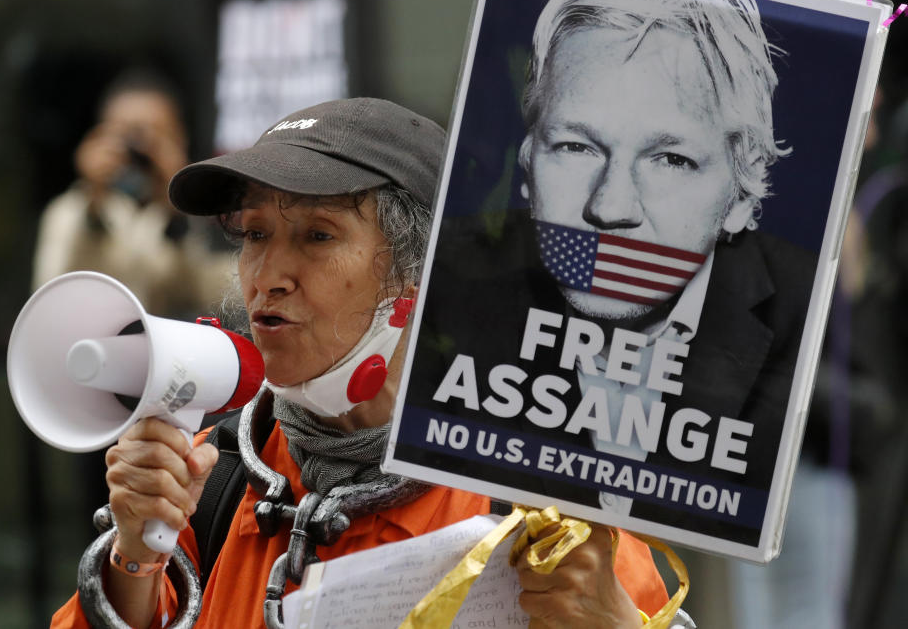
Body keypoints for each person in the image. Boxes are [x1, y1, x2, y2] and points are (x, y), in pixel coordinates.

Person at [51, 98, 678, 628]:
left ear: (417, 275)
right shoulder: (210, 484)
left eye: (317, 235)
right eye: (255, 233)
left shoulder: (537, 505)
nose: (266, 277)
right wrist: (134, 557)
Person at [417, 0, 816, 547]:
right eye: (577, 147)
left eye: (670, 159)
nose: (611, 206)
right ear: (528, 165)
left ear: (741, 190)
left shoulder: (806, 319)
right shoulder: (440, 299)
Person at [32, 67, 233, 320]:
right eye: (126, 137)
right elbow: (51, 296)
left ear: (180, 140)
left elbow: (215, 296)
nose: (139, 151)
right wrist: (94, 204)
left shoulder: (204, 214)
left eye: (155, 138)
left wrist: (177, 205)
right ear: (99, 138)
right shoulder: (69, 212)